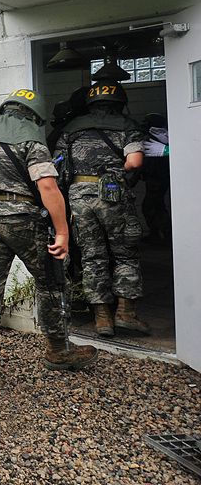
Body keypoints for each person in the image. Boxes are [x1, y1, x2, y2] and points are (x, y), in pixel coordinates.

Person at [0, 90, 97, 387]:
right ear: (33, 115)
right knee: (52, 281)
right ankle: (58, 351)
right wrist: (62, 231)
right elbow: (47, 186)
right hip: (23, 220)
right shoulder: (30, 136)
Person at [53, 81, 148, 336]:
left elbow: (58, 166)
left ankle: (102, 318)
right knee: (125, 253)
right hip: (112, 195)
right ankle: (126, 313)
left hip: (78, 196)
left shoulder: (71, 127)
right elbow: (134, 161)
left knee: (92, 257)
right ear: (120, 102)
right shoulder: (128, 125)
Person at [139, 113, 170, 245]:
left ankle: (165, 235)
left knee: (154, 206)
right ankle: (158, 234)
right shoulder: (153, 139)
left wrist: (168, 149)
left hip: (158, 178)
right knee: (152, 206)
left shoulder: (160, 139)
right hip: (153, 177)